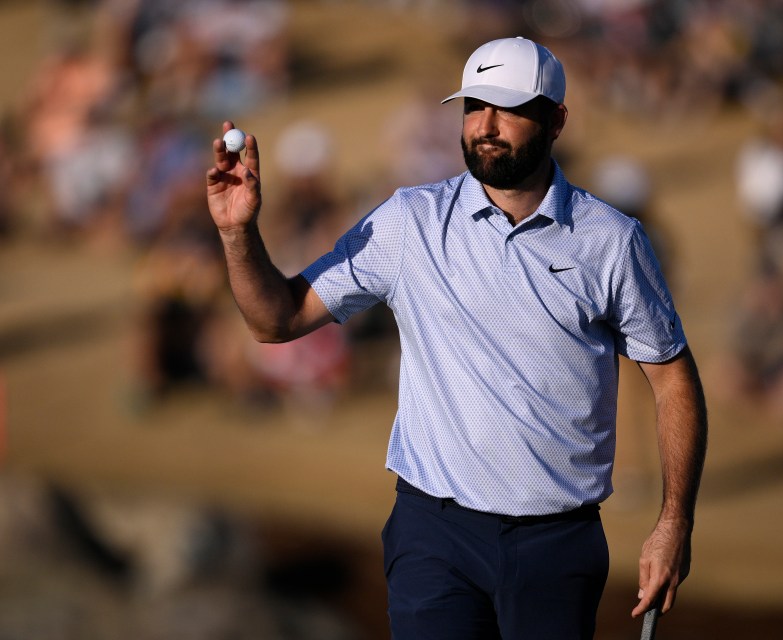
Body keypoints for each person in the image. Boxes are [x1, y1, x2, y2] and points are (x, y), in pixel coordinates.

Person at [206, 36, 707, 639]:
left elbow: (674, 380)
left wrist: (674, 522)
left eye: (508, 108)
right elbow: (276, 319)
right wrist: (237, 233)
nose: (485, 126)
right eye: (474, 106)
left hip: (557, 543)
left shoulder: (612, 241)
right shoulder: (409, 221)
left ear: (556, 121)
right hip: (433, 534)